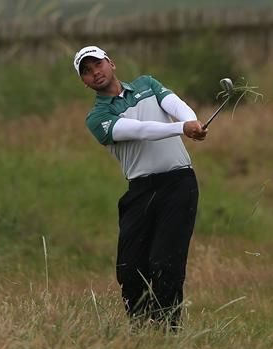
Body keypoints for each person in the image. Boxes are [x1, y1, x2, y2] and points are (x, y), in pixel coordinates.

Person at [73, 45, 207, 330]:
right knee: (130, 269)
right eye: (86, 71)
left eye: (97, 64)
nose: (95, 72)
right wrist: (181, 129)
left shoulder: (148, 84)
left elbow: (176, 104)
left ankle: (168, 331)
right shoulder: (97, 118)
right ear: (84, 82)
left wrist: (189, 120)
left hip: (179, 184)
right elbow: (140, 131)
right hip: (140, 190)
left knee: (166, 264)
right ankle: (140, 330)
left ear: (111, 63)